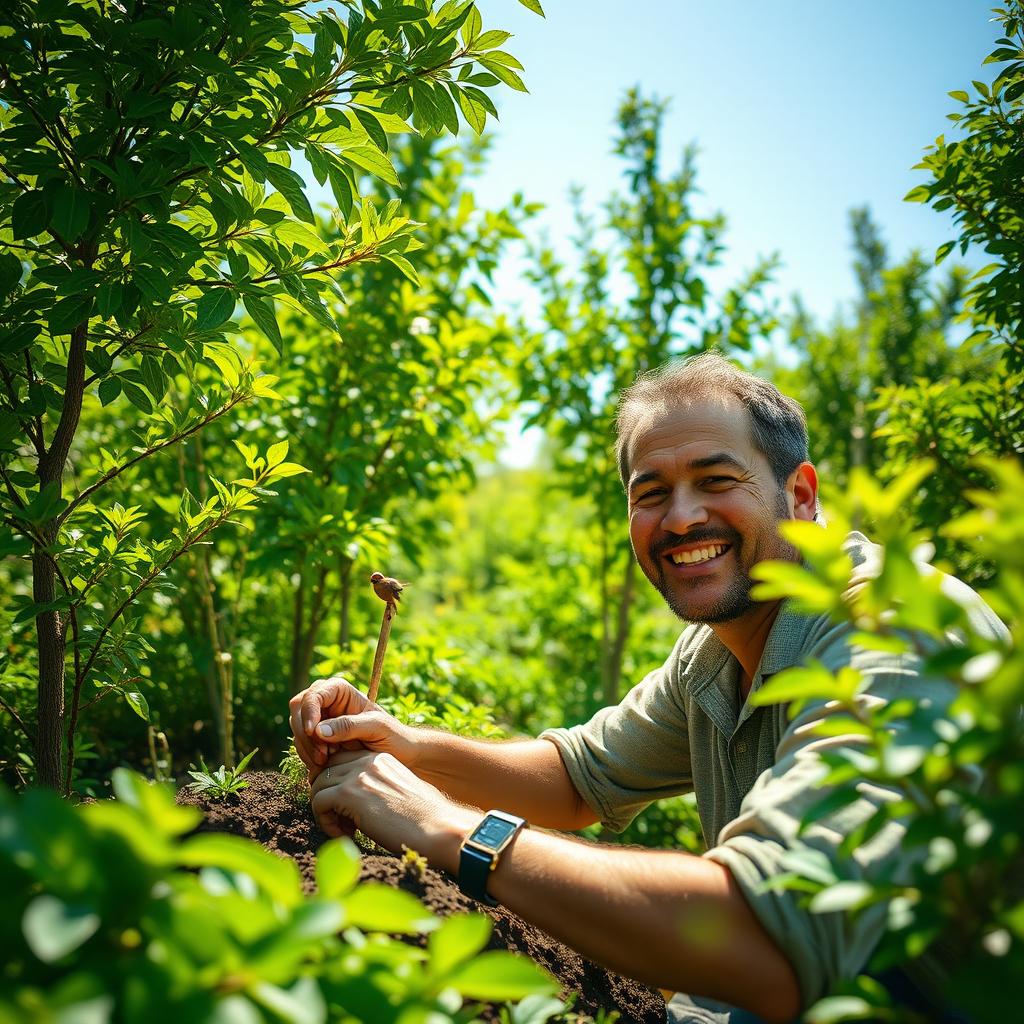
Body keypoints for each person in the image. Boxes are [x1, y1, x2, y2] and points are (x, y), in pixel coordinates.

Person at [288, 353, 1006, 1024]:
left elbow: (770, 941)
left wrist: (442, 828)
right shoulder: (721, 646)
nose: (682, 517)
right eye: (652, 493)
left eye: (717, 480)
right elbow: (577, 779)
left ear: (801, 494)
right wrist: (405, 748)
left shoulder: (893, 635)